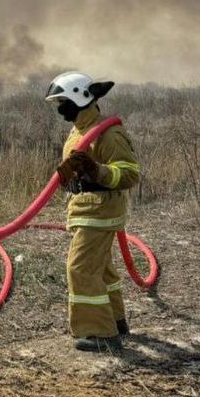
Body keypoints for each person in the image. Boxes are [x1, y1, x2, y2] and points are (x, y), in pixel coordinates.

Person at [46, 71, 141, 352]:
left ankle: (99, 333)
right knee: (102, 269)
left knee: (81, 269)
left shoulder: (108, 132)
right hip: (85, 209)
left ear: (79, 97)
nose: (60, 108)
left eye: (63, 101)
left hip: (99, 212)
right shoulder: (79, 130)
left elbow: (129, 173)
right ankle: (115, 321)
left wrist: (96, 170)